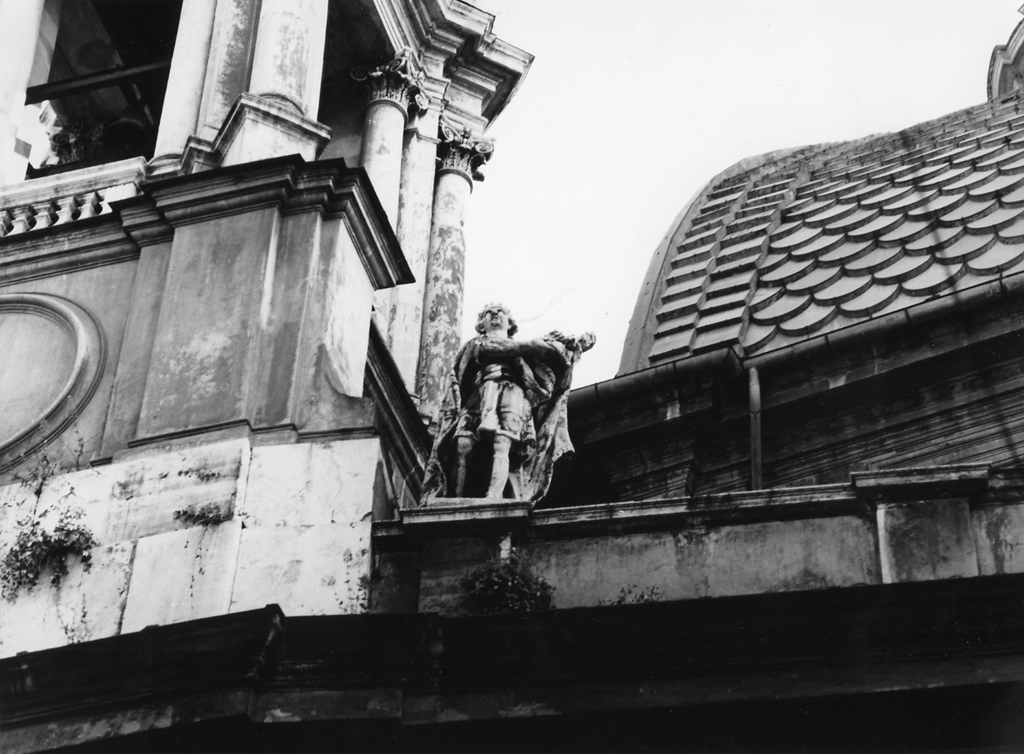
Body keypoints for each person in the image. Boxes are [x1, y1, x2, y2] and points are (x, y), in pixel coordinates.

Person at [422, 303, 595, 502]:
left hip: (512, 395)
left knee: (503, 442)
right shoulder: (478, 344)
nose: (495, 314)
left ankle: (494, 496)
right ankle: (456, 497)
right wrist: (534, 345)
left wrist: (575, 345)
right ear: (481, 324)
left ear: (510, 322)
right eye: (489, 313)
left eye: (500, 312)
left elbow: (555, 365)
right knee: (463, 443)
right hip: (479, 394)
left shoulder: (525, 355)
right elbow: (491, 348)